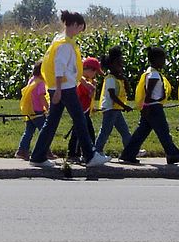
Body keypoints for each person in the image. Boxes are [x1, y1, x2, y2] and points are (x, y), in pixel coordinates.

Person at [29, 10, 110, 169]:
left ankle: (38, 156)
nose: (80, 31)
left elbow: (67, 69)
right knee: (80, 120)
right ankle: (90, 155)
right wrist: (59, 90)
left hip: (60, 86)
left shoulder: (59, 40)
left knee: (52, 122)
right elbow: (60, 67)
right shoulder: (65, 44)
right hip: (65, 87)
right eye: (80, 28)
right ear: (74, 25)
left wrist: (80, 82)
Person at [120, 46, 179, 165]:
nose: (164, 62)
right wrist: (146, 106)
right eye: (163, 59)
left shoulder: (150, 73)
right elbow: (149, 93)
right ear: (156, 59)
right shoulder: (153, 75)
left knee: (141, 132)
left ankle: (128, 154)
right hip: (153, 107)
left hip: (151, 106)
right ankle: (173, 154)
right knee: (163, 132)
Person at [94, 46, 138, 158]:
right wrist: (125, 106)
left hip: (116, 109)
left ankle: (130, 150)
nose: (121, 65)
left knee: (124, 131)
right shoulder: (110, 79)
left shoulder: (117, 78)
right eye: (119, 63)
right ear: (112, 64)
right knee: (105, 131)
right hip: (110, 108)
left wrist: (125, 80)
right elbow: (112, 96)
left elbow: (127, 91)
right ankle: (97, 151)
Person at [67, 56, 102, 163]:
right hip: (81, 110)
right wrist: (93, 87)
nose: (95, 74)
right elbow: (90, 95)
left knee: (80, 131)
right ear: (89, 70)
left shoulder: (85, 81)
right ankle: (77, 153)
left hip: (84, 110)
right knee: (83, 132)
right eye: (95, 71)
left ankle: (79, 152)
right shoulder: (84, 83)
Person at [15, 60, 49, 160]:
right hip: (38, 111)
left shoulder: (32, 79)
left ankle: (22, 151)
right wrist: (48, 107)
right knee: (45, 132)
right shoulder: (41, 83)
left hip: (30, 110)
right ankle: (46, 151)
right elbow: (41, 97)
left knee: (29, 131)